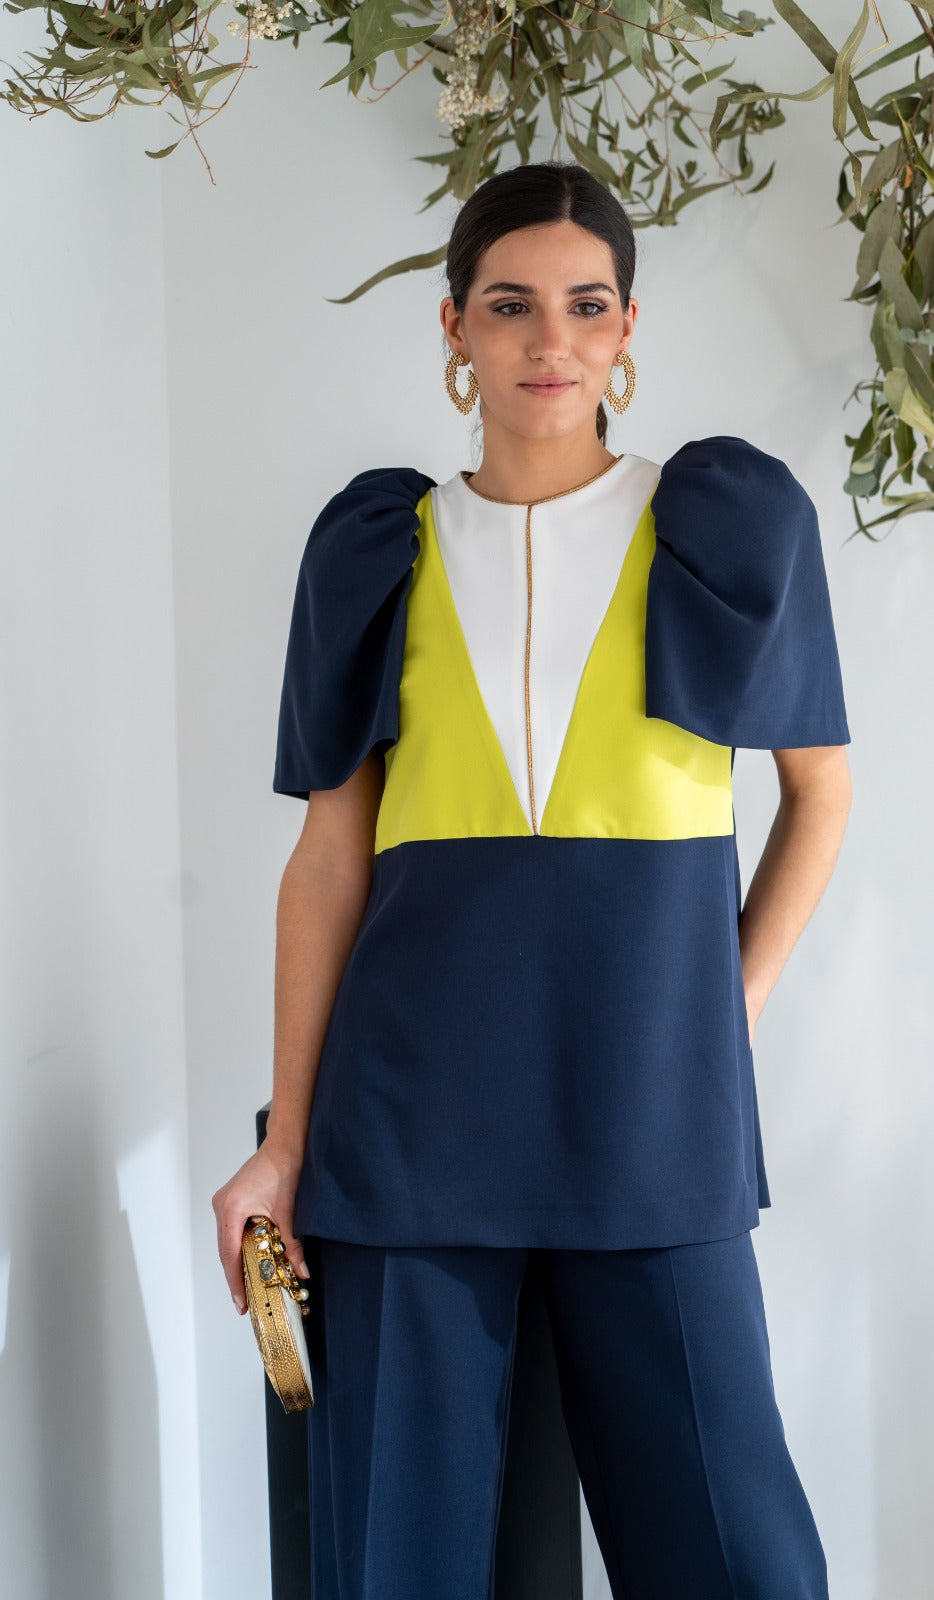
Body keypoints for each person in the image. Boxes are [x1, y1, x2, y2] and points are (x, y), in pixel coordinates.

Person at [212, 159, 853, 1600]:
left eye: (585, 305)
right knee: (393, 1559)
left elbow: (820, 795)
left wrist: (720, 1015)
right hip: (408, 1122)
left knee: (732, 1552)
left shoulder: (723, 527)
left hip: (652, 1112)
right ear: (453, 327)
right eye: (508, 306)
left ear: (628, 327)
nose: (548, 341)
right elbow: (329, 857)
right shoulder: (376, 548)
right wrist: (285, 1144)